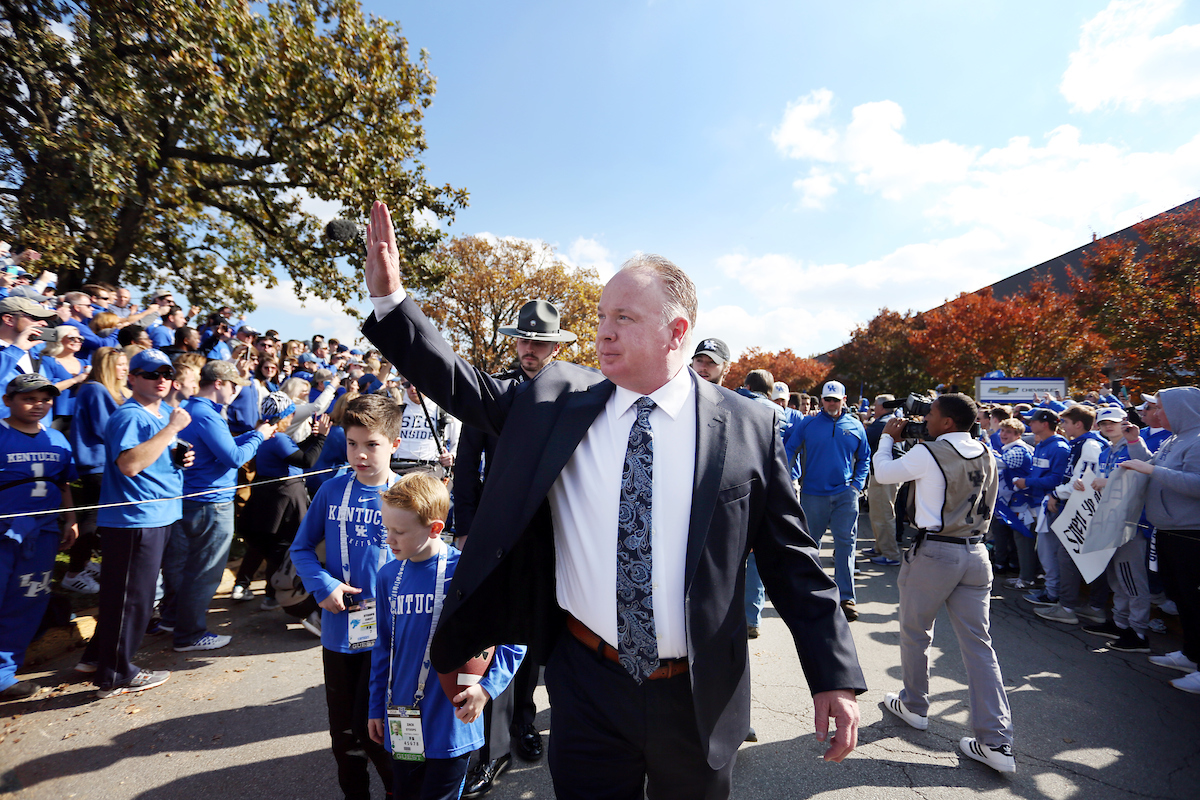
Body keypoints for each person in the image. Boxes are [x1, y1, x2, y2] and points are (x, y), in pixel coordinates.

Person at [361, 201, 864, 799]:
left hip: (699, 693)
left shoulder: (748, 425)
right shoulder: (558, 401)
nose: (602, 330)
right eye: (602, 314)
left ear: (677, 331)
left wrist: (833, 673)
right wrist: (393, 303)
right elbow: (463, 385)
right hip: (586, 682)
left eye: (623, 317)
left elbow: (790, 557)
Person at [453, 299, 575, 796]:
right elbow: (466, 463)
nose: (529, 349)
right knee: (487, 628)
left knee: (530, 626)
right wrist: (463, 526)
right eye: (523, 340)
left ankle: (523, 718)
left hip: (549, 531)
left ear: (555, 346)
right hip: (493, 528)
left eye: (539, 342)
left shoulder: (572, 394)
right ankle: (483, 737)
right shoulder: (495, 392)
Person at [874, 393, 1015, 774]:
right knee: (979, 646)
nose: (926, 419)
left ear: (948, 422)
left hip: (936, 552)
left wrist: (888, 437)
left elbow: (883, 473)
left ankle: (915, 706)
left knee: (915, 632)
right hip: (975, 552)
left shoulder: (930, 453)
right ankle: (996, 740)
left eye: (931, 414)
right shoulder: (987, 451)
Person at [368, 473, 525, 800]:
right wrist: (374, 707)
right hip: (403, 719)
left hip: (452, 722)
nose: (389, 540)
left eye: (399, 531)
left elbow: (514, 637)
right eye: (387, 529)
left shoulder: (466, 572)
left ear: (435, 528)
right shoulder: (387, 576)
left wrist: (486, 690)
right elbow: (383, 648)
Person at [290, 394, 403, 800]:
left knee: (383, 730)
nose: (360, 454)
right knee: (345, 736)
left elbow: (434, 560)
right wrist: (323, 585)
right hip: (341, 633)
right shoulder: (331, 492)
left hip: (391, 638)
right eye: (352, 443)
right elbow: (301, 548)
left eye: (371, 444)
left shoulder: (408, 496)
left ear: (394, 444)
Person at [78, 349, 193, 697]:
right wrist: (173, 428)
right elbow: (128, 464)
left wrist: (178, 455)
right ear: (132, 378)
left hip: (153, 516)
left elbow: (150, 457)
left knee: (127, 597)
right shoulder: (130, 415)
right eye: (150, 372)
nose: (160, 379)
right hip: (134, 519)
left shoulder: (154, 416)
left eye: (166, 372)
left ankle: (95, 657)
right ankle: (115, 675)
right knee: (133, 600)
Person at [160, 361, 274, 651]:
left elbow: (222, 446)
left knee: (185, 568)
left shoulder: (193, 409)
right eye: (234, 386)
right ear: (220, 383)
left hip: (190, 500)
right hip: (211, 503)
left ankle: (173, 620)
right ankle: (189, 634)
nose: (237, 392)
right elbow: (234, 458)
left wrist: (253, 435)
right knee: (205, 572)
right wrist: (259, 435)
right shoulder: (207, 414)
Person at [0, 374, 78, 700]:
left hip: (44, 533)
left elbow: (63, 484)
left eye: (45, 399)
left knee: (27, 603)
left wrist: (71, 519)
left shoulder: (58, 439)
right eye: (29, 398)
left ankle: (4, 674)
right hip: (4, 533)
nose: (39, 405)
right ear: (8, 401)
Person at [1120, 387, 1200, 693]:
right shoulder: (1175, 438)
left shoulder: (1197, 439)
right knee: (1182, 598)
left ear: (1182, 409)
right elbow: (1154, 466)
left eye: (1161, 407)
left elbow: (1196, 484)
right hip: (1169, 532)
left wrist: (1151, 468)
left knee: (1193, 601)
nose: (1156, 412)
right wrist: (1134, 443)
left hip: (1191, 535)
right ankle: (1191, 654)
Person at [783, 379, 870, 621]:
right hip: (813, 494)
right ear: (821, 399)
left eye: (835, 399)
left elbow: (865, 458)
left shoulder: (855, 426)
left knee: (846, 545)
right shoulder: (809, 424)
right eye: (827, 399)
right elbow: (790, 450)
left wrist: (856, 486)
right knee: (811, 545)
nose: (830, 403)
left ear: (844, 400)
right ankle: (812, 594)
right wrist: (787, 478)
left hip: (845, 494)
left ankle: (846, 597)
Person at [234, 392, 330, 606]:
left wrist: (312, 439)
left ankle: (242, 584)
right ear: (284, 415)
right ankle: (270, 595)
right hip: (281, 500)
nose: (292, 418)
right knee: (279, 546)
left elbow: (293, 453)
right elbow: (306, 460)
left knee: (260, 544)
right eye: (291, 415)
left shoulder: (267, 434)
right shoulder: (278, 438)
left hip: (266, 496)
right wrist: (322, 437)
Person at [862, 395, 902, 566]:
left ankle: (890, 553)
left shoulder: (881, 423)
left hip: (886, 474)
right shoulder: (890, 420)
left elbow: (862, 438)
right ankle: (880, 547)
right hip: (887, 472)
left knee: (883, 514)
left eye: (875, 405)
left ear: (882, 407)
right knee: (878, 512)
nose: (873, 408)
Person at [0, 296, 55, 416]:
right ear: (9, 319)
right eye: (35, 318)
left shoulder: (34, 352)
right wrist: (16, 350)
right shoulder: (15, 351)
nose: (44, 323)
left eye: (45, 319)